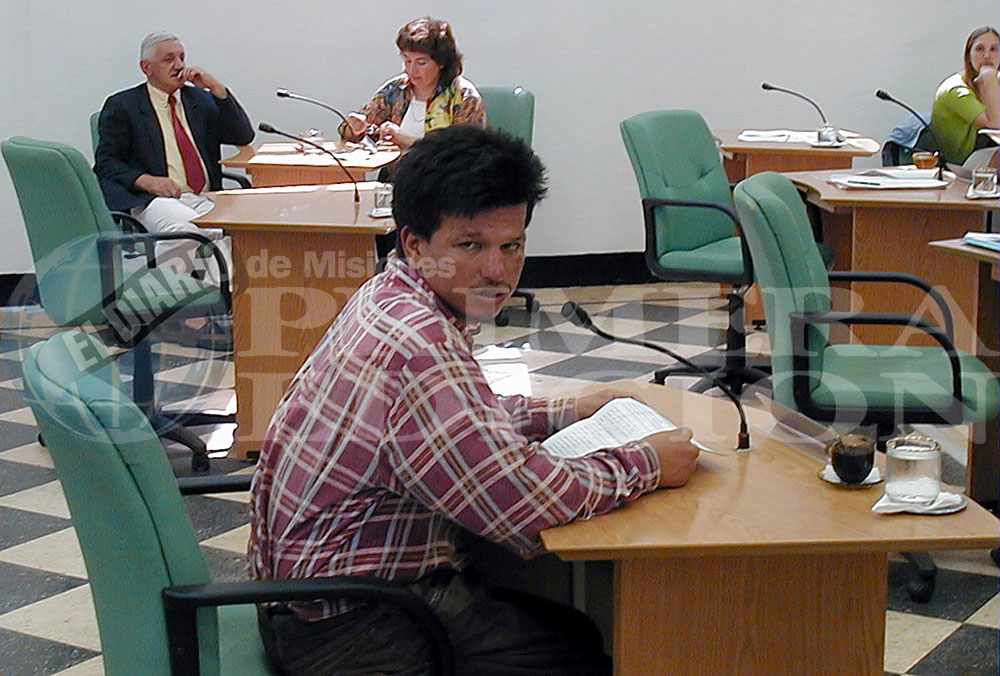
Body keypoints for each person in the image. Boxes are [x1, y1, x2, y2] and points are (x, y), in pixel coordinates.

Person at [248, 126, 700, 676]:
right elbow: (523, 503)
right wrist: (647, 464)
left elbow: (452, 425)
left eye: (512, 245)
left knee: (556, 612)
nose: (498, 270)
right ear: (415, 243)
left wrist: (568, 410)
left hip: (312, 598)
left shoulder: (389, 294)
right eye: (471, 245)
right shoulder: (418, 347)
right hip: (354, 628)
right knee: (578, 646)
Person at [94, 31, 253, 316]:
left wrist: (217, 88)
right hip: (152, 199)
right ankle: (213, 310)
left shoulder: (199, 101)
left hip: (205, 195)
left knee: (244, 230)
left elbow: (243, 134)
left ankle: (211, 314)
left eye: (181, 58)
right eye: (169, 59)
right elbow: (106, 163)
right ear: (147, 67)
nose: (178, 65)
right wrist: (147, 181)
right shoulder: (124, 106)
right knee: (192, 231)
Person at [339, 16, 486, 149]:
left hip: (443, 177)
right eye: (407, 61)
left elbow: (463, 151)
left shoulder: (463, 96)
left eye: (421, 63)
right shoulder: (395, 89)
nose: (411, 70)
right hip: (395, 175)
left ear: (441, 62)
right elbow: (360, 130)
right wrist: (352, 129)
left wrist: (405, 140)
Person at [930, 26, 999, 165]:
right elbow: (995, 125)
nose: (987, 56)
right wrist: (989, 80)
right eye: (979, 49)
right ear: (968, 55)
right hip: (958, 165)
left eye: (994, 49)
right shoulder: (955, 90)